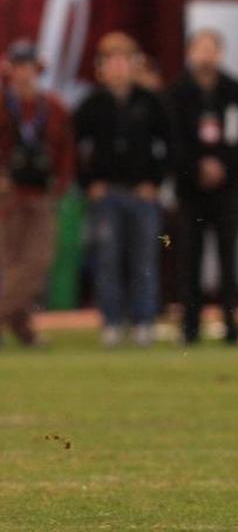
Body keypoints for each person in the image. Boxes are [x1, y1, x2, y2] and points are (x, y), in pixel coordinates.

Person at [74, 32, 172, 347]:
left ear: (134, 65)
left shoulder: (151, 102)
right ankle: (112, 322)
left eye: (124, 60)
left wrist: (154, 183)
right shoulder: (91, 105)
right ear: (101, 68)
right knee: (107, 259)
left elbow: (169, 146)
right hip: (107, 195)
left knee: (144, 259)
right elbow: (74, 149)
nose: (118, 68)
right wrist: (89, 184)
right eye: (111, 61)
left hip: (141, 195)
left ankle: (144, 321)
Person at [170, 29, 238, 346]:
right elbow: (174, 141)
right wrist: (197, 168)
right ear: (191, 52)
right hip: (191, 190)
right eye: (200, 48)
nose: (205, 55)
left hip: (227, 189)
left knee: (228, 257)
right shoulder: (177, 93)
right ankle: (189, 327)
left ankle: (231, 323)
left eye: (211, 48)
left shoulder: (236, 92)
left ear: (220, 53)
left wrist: (223, 168)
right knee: (189, 257)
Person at [0, 39, 73, 347]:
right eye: (17, 67)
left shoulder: (53, 107)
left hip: (41, 194)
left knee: (37, 261)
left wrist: (60, 187)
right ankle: (24, 330)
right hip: (8, 194)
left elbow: (66, 151)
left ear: (37, 70)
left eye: (28, 67)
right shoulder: (3, 104)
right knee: (8, 263)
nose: (23, 73)